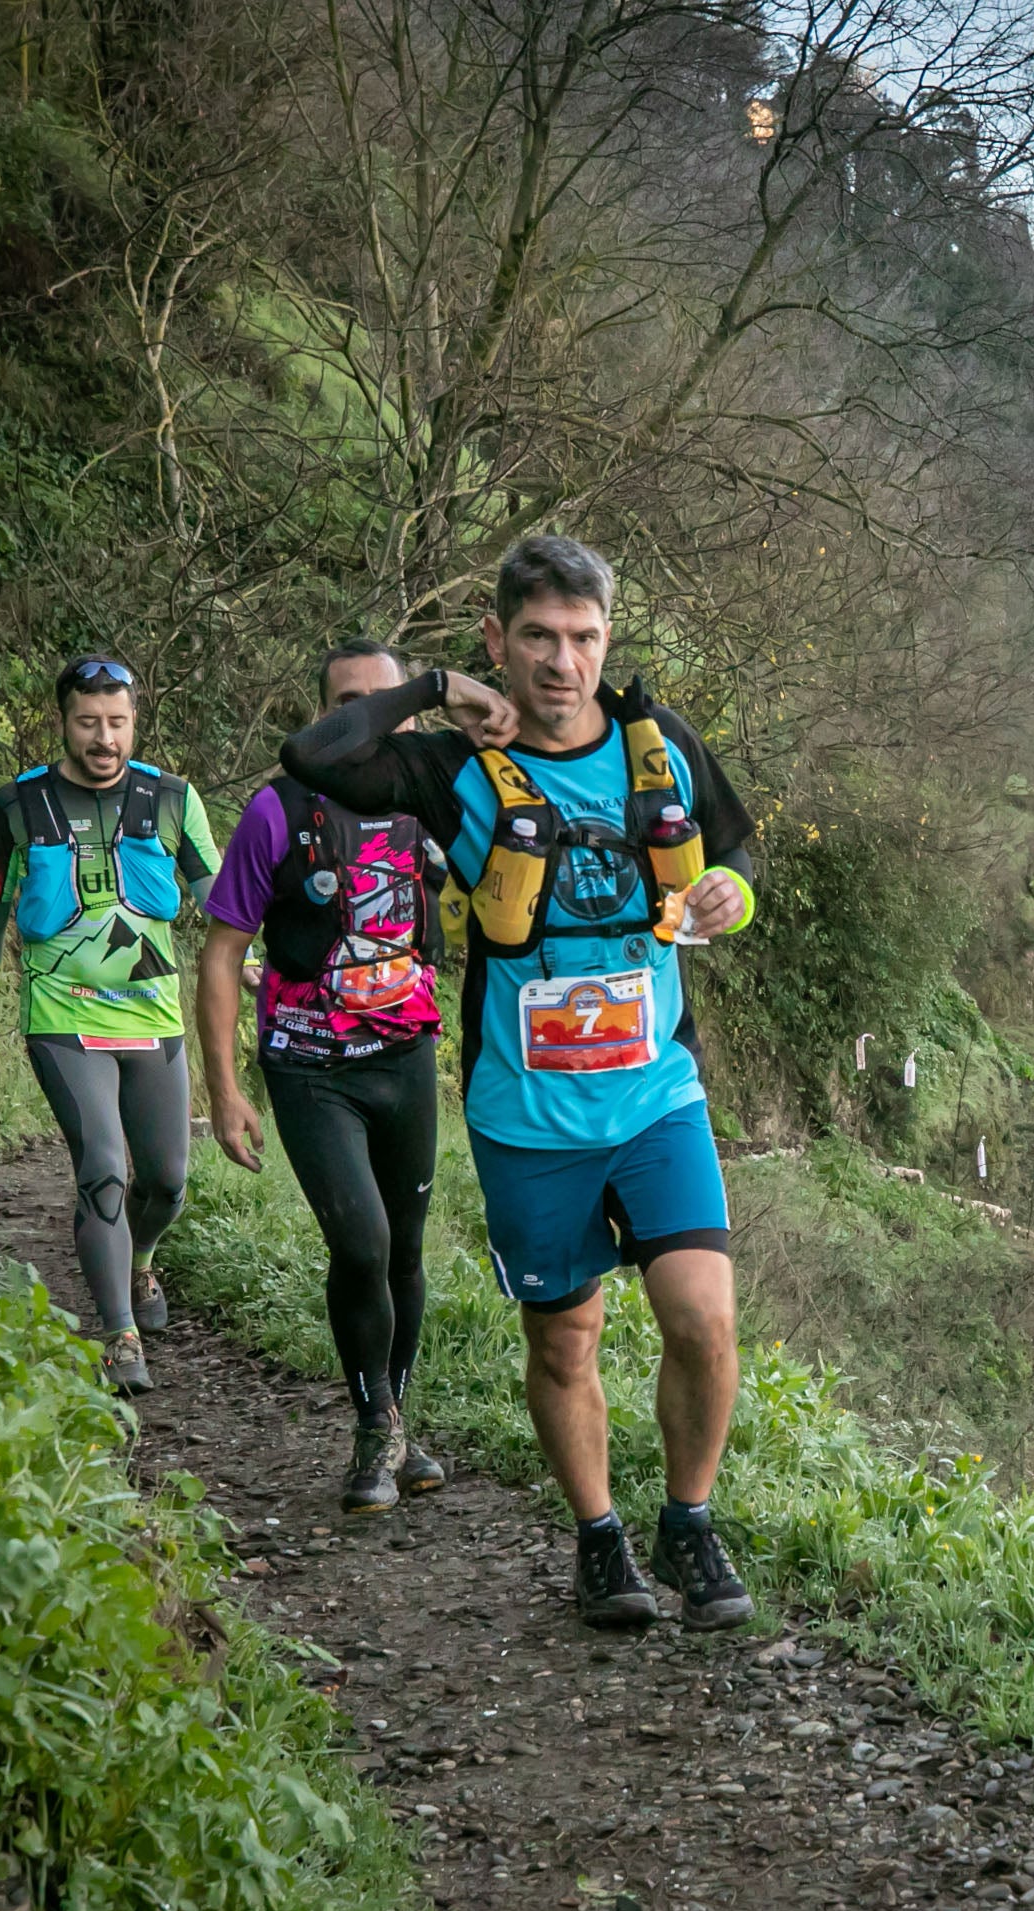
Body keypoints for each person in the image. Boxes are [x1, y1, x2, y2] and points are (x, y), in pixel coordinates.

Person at [279, 535, 760, 1631]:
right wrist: (438, 690)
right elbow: (313, 755)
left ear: (606, 641)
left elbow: (737, 854)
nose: (562, 662)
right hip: (527, 1115)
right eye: (537, 637)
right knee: (565, 1339)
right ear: (500, 639)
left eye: (583, 638)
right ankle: (600, 1542)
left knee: (703, 1320)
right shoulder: (447, 767)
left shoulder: (661, 746)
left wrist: (734, 893)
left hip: (655, 1095)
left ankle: (689, 1521)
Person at [199, 640, 452, 1515]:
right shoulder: (279, 809)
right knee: (362, 1243)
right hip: (308, 1066)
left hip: (407, 1056)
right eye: (347, 704)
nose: (365, 724)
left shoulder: (442, 801)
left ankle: (397, 1416)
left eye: (384, 705)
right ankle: (375, 1426)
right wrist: (224, 1090)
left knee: (408, 1250)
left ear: (412, 721)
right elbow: (224, 951)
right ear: (321, 717)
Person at [0, 656, 223, 1393]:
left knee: (167, 1181)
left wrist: (268, 964)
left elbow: (224, 899)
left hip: (155, 1016)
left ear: (135, 720)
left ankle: (140, 1264)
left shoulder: (172, 798)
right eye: (88, 722)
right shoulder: (16, 805)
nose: (103, 737)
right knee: (104, 1166)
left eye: (117, 722)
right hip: (61, 1016)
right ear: (62, 722)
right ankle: (119, 1335)